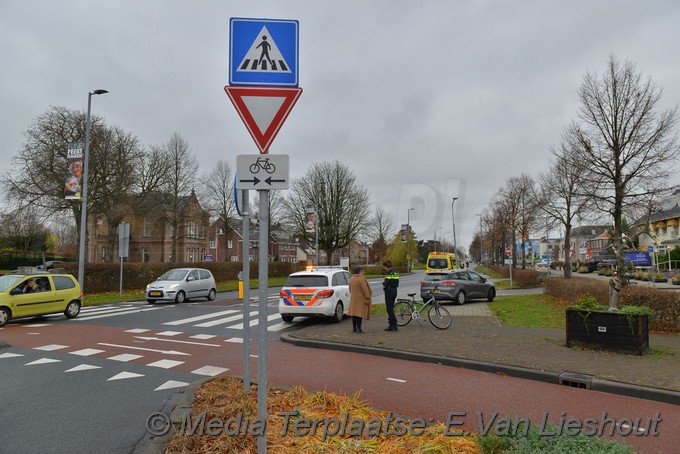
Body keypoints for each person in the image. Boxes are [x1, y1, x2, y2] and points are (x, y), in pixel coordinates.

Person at [348, 267, 372, 333]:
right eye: (362, 271)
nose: (363, 272)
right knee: (359, 313)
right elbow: (365, 289)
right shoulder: (361, 279)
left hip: (354, 298)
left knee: (354, 314)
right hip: (361, 299)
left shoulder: (351, 279)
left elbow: (350, 288)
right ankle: (359, 328)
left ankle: (354, 328)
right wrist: (368, 296)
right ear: (360, 271)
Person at [382, 260, 400, 331]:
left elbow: (386, 283)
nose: (384, 268)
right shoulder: (396, 271)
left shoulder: (389, 273)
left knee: (389, 309)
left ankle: (392, 325)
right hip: (394, 291)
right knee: (391, 308)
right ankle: (394, 325)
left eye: (384, 267)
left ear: (386, 266)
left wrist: (383, 283)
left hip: (389, 291)